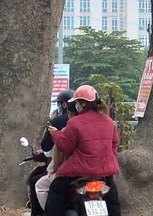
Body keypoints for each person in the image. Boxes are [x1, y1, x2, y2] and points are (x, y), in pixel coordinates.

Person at [45, 85, 122, 216]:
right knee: (113, 199)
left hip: (78, 171)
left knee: (56, 191)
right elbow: (115, 144)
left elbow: (65, 146)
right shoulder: (109, 122)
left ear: (81, 104)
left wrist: (56, 134)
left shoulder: (74, 123)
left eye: (76, 103)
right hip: (105, 172)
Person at [29, 89, 78, 215]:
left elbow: (46, 146)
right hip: (99, 171)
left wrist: (54, 130)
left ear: (65, 105)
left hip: (70, 167)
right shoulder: (101, 123)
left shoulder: (62, 122)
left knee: (39, 183)